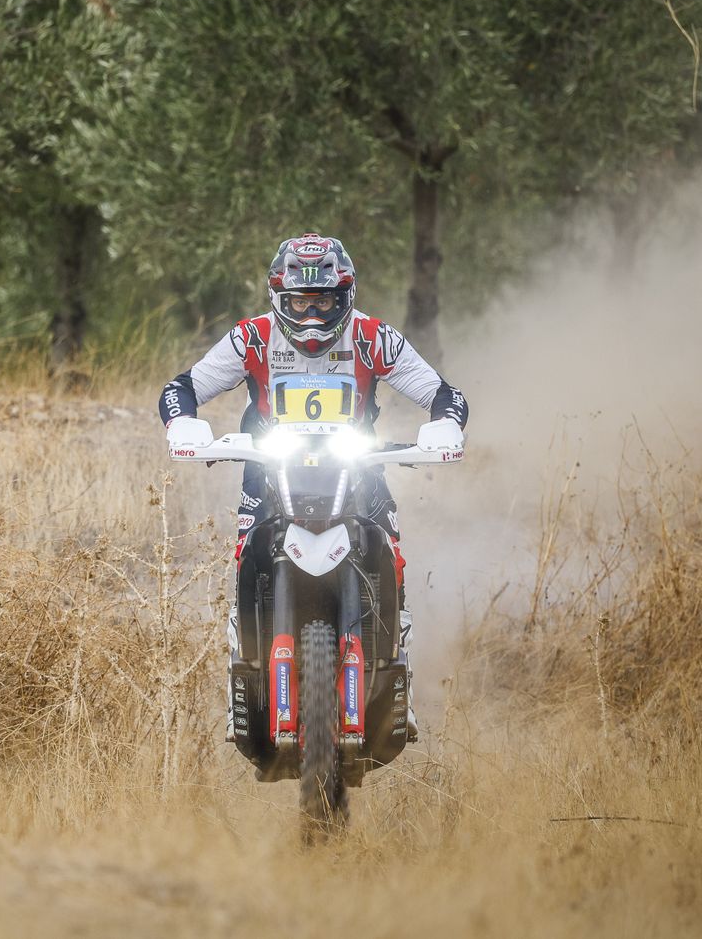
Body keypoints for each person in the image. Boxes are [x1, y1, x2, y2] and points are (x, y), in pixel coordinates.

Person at [157, 233, 469, 742]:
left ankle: (397, 670)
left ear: (345, 297)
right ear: (280, 298)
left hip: (357, 467)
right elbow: (182, 388)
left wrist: (445, 426)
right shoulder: (252, 338)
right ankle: (243, 666)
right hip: (270, 467)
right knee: (246, 555)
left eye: (323, 300)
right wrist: (183, 425)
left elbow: (443, 393)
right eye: (300, 301)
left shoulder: (372, 337)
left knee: (390, 548)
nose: (311, 314)